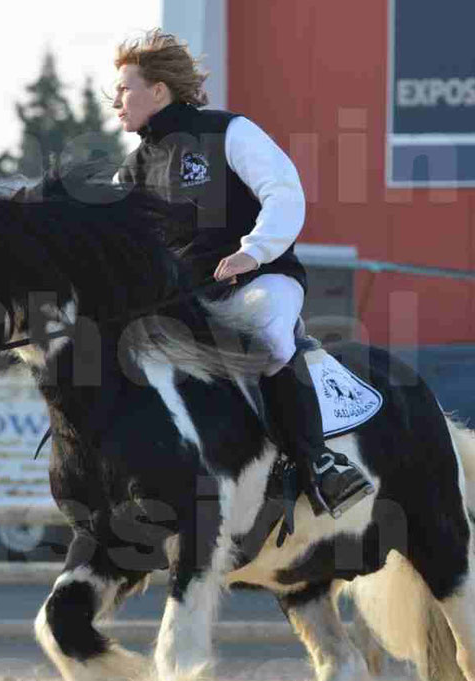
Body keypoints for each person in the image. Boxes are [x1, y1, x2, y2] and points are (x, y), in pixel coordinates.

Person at [111, 30, 372, 518]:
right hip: (182, 303)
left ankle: (320, 465)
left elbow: (285, 193)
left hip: (258, 282)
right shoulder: (128, 173)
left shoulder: (230, 132)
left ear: (159, 91)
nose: (115, 100)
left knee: (268, 340)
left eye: (125, 88)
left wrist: (253, 252)